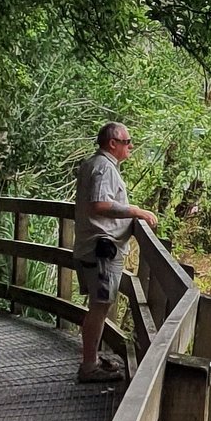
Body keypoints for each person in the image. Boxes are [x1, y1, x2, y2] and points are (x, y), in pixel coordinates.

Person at [73, 121, 157, 383]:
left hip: (93, 248)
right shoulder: (103, 168)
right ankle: (89, 367)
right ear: (113, 143)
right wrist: (136, 211)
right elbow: (99, 204)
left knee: (98, 306)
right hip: (102, 249)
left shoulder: (93, 164)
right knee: (100, 308)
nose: (130, 146)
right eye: (127, 141)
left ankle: (93, 360)